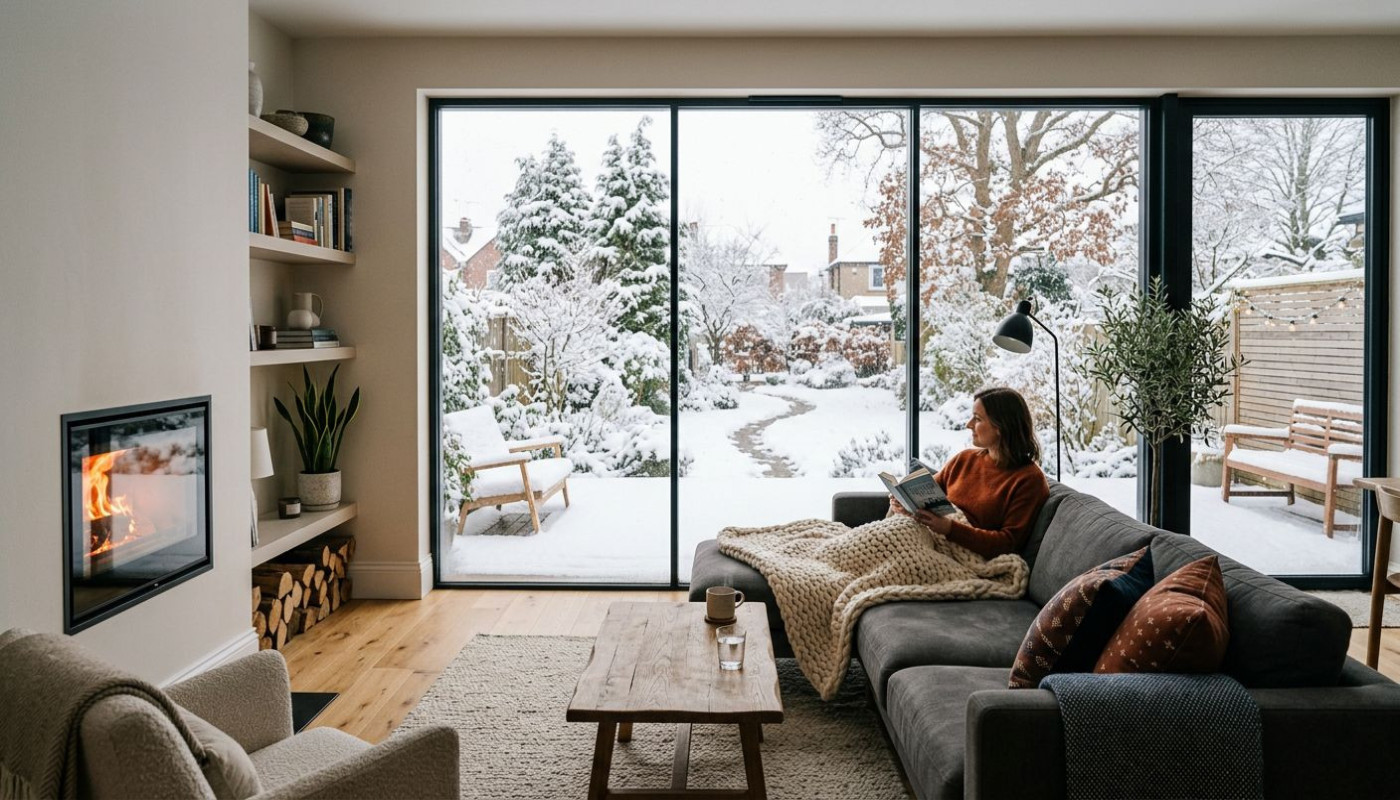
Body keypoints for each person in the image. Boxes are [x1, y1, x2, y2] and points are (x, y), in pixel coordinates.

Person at [889, 386, 1050, 558]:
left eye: (977, 419)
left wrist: (950, 528)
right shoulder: (964, 459)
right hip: (928, 541)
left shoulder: (1029, 480)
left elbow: (1008, 543)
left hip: (964, 557)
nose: (968, 424)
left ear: (1001, 427)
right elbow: (922, 496)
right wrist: (904, 503)